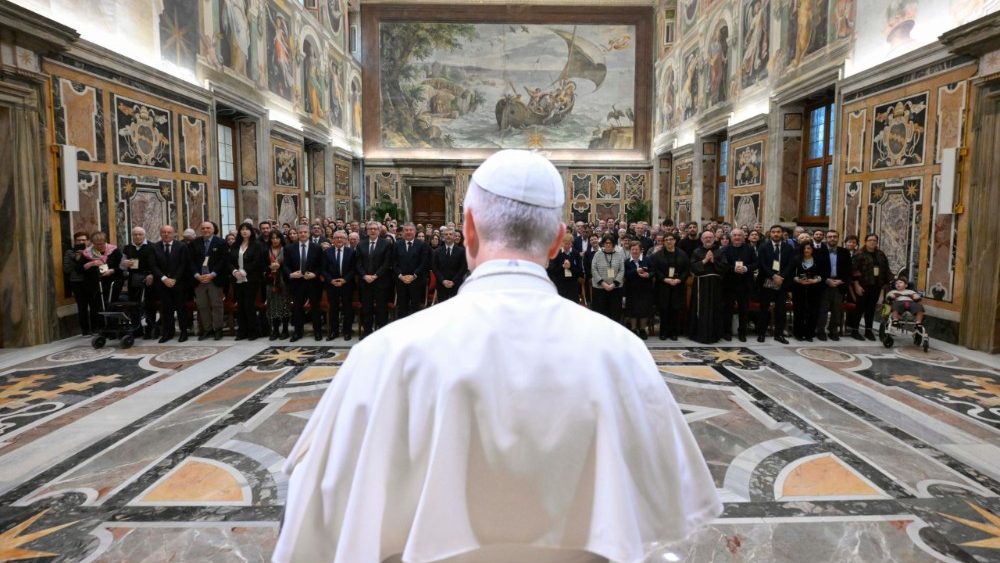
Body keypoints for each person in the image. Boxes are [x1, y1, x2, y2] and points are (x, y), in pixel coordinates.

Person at [274, 149, 720, 563]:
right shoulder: (622, 353)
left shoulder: (383, 355)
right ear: (557, 241)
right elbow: (662, 509)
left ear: (468, 228)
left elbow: (312, 526)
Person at [151, 225, 192, 342]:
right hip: (162, 283)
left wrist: (174, 279)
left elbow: (183, 264)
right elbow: (153, 265)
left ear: (174, 234)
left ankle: (183, 332)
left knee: (181, 308)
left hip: (179, 283)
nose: (166, 234)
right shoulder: (154, 247)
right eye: (163, 232)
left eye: (169, 232)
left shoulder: (182, 246)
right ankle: (168, 332)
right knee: (166, 309)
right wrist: (164, 278)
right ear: (160, 234)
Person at [283, 224, 324, 342]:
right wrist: (291, 274)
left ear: (309, 234)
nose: (303, 234)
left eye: (305, 232)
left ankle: (317, 331)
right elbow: (285, 265)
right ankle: (298, 332)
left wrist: (315, 274)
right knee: (297, 308)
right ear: (297, 234)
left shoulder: (317, 248)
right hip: (297, 283)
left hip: (313, 282)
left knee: (315, 308)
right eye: (300, 232)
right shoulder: (289, 248)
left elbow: (321, 265)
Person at [190, 221, 229, 340]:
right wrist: (196, 275)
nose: (205, 230)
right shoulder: (194, 243)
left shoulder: (221, 242)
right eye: (203, 228)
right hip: (199, 280)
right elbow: (190, 261)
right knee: (202, 306)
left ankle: (218, 329)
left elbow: (223, 261)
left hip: (215, 279)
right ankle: (207, 329)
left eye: (208, 228)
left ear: (213, 229)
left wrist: (212, 274)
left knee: (217, 305)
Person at [689, 230, 728, 343]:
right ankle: (699, 334)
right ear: (702, 239)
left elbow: (725, 267)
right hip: (701, 284)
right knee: (701, 309)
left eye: (710, 237)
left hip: (715, 285)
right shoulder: (696, 252)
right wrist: (705, 261)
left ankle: (714, 335)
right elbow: (692, 267)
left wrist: (714, 261)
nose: (708, 239)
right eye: (705, 237)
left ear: (714, 239)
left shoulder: (720, 252)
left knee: (715, 308)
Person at [756, 225, 793, 344]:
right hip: (767, 281)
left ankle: (779, 334)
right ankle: (761, 333)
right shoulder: (763, 246)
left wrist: (781, 277)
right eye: (773, 232)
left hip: (782, 282)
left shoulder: (788, 247)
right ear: (770, 233)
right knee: (764, 309)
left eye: (778, 232)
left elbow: (790, 265)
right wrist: (773, 276)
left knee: (781, 310)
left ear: (782, 233)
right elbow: (762, 264)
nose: (776, 234)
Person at [356, 220, 393, 338]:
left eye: (375, 229)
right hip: (365, 282)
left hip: (381, 281)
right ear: (367, 231)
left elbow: (386, 263)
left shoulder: (386, 244)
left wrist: (376, 275)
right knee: (366, 308)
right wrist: (364, 275)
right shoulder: (360, 244)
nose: (372, 230)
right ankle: (367, 331)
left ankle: (381, 333)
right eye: (370, 229)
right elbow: (358, 263)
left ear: (379, 230)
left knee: (381, 308)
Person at [851, 233, 891, 341]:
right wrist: (856, 285)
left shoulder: (880, 254)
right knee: (860, 308)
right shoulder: (859, 254)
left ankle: (868, 330)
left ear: (877, 242)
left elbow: (886, 269)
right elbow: (853, 270)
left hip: (876, 285)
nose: (872, 242)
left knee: (871, 309)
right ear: (865, 241)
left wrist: (885, 287)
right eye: (870, 240)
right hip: (863, 285)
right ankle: (855, 330)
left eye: (874, 240)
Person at [119, 227, 157, 339]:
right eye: (135, 234)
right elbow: (121, 266)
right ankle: (137, 329)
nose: (137, 236)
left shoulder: (152, 246)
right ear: (132, 236)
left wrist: (152, 275)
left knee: (149, 304)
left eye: (140, 234)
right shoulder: (127, 248)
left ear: (144, 235)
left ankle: (150, 328)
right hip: (133, 278)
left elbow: (158, 264)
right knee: (134, 304)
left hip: (149, 278)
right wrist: (124, 264)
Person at [80, 231, 122, 330]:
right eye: (97, 244)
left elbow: (121, 266)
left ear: (105, 241)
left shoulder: (114, 250)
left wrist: (112, 270)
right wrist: (91, 264)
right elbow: (79, 269)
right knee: (96, 306)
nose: (99, 246)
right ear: (92, 243)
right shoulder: (87, 252)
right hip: (94, 283)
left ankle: (113, 327)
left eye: (102, 244)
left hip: (111, 283)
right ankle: (100, 328)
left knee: (110, 304)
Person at [650, 232, 689, 340]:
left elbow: (686, 269)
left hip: (678, 285)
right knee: (664, 309)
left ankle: (674, 332)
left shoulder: (683, 254)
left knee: (675, 310)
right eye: (666, 240)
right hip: (663, 286)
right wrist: (664, 279)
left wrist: (679, 279)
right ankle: (663, 332)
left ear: (675, 241)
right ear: (663, 242)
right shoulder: (657, 255)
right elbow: (655, 269)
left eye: (671, 239)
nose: (669, 241)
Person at [721, 228, 756, 342]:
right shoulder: (725, 249)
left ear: (743, 237)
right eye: (734, 235)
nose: (737, 237)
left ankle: (742, 332)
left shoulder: (750, 249)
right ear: (731, 237)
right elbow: (723, 265)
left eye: (739, 235)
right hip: (729, 284)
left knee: (744, 310)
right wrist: (733, 269)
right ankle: (727, 332)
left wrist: (745, 268)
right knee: (728, 309)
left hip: (745, 284)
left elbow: (756, 263)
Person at [230, 223, 264, 340]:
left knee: (249, 305)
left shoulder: (256, 245)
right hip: (237, 279)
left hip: (251, 279)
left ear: (251, 231)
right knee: (240, 305)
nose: (244, 231)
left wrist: (245, 271)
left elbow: (257, 261)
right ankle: (242, 331)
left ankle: (253, 331)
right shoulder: (235, 245)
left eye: (247, 229)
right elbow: (229, 261)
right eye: (242, 229)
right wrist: (235, 271)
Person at [816, 229, 852, 341]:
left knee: (837, 310)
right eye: (830, 236)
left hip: (839, 284)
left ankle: (833, 331)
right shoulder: (819, 252)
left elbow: (848, 269)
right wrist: (826, 280)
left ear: (838, 238)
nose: (832, 238)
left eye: (835, 236)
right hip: (824, 284)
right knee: (823, 309)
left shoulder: (845, 252)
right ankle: (820, 330)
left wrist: (842, 280)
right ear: (826, 238)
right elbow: (816, 269)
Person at [322, 230, 356, 341]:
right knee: (333, 309)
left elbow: (353, 269)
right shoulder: (327, 252)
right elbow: (323, 269)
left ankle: (347, 331)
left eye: (342, 237)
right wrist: (331, 280)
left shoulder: (351, 252)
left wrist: (345, 280)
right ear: (333, 239)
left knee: (347, 309)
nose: (339, 239)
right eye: (337, 237)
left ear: (346, 240)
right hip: (332, 285)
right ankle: (334, 331)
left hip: (347, 284)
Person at [394, 222, 432, 319]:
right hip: (401, 281)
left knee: (415, 308)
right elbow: (394, 263)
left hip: (416, 281)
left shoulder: (422, 245)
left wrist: (414, 275)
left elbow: (424, 263)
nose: (408, 232)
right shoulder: (397, 244)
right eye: (406, 230)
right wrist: (401, 276)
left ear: (415, 232)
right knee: (402, 308)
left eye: (411, 230)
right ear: (403, 232)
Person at [790, 242, 826, 341]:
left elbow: (823, 274)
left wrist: (815, 280)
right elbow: (791, 273)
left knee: (812, 312)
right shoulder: (796, 259)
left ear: (812, 249)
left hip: (814, 289)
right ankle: (798, 333)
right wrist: (797, 280)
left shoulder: (818, 260)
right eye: (805, 248)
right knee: (799, 311)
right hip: (799, 289)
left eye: (809, 248)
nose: (806, 250)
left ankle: (809, 334)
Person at [591, 234, 625, 322]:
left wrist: (613, 284)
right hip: (600, 289)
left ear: (613, 244)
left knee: (615, 313)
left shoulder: (619, 255)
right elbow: (594, 269)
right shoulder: (597, 255)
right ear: (603, 244)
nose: (608, 245)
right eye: (606, 243)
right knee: (601, 314)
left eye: (610, 243)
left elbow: (622, 270)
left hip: (616, 289)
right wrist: (603, 284)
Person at [624, 241, 654, 338]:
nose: (634, 251)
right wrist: (635, 271)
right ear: (630, 250)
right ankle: (633, 329)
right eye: (632, 249)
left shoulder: (647, 259)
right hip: (631, 290)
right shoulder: (627, 262)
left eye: (636, 249)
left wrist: (648, 274)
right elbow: (625, 274)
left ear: (640, 250)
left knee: (644, 310)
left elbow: (653, 271)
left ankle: (642, 330)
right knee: (632, 310)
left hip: (645, 289)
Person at [264, 230, 291, 339]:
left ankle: (285, 329)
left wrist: (280, 266)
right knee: (272, 305)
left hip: (283, 281)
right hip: (270, 281)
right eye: (273, 238)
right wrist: (269, 267)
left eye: (277, 238)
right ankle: (275, 330)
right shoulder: (266, 250)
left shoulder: (286, 249)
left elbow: (290, 264)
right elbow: (261, 264)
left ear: (281, 239)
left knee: (284, 305)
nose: (275, 240)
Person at [64, 232, 92, 335]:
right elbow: (66, 269)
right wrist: (76, 259)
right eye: (78, 240)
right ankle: (85, 330)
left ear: (88, 241)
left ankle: (96, 327)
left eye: (83, 240)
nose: (81, 242)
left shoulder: (92, 251)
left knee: (94, 305)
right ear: (75, 241)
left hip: (91, 281)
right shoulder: (69, 252)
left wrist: (86, 255)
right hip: (77, 282)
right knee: (82, 306)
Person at [432, 227, 467, 302]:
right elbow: (434, 267)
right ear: (443, 237)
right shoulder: (437, 251)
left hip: (456, 284)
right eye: (446, 234)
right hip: (441, 284)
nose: (448, 236)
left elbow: (463, 268)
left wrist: (453, 281)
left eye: (450, 234)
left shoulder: (461, 251)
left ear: (454, 236)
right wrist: (442, 280)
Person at [547, 233, 583, 302]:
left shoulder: (576, 253)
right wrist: (562, 266)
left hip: (572, 285)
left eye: (569, 244)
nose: (567, 246)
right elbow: (551, 270)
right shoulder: (556, 254)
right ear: (561, 243)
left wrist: (570, 267)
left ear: (571, 243)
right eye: (565, 243)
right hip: (560, 284)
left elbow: (579, 271)